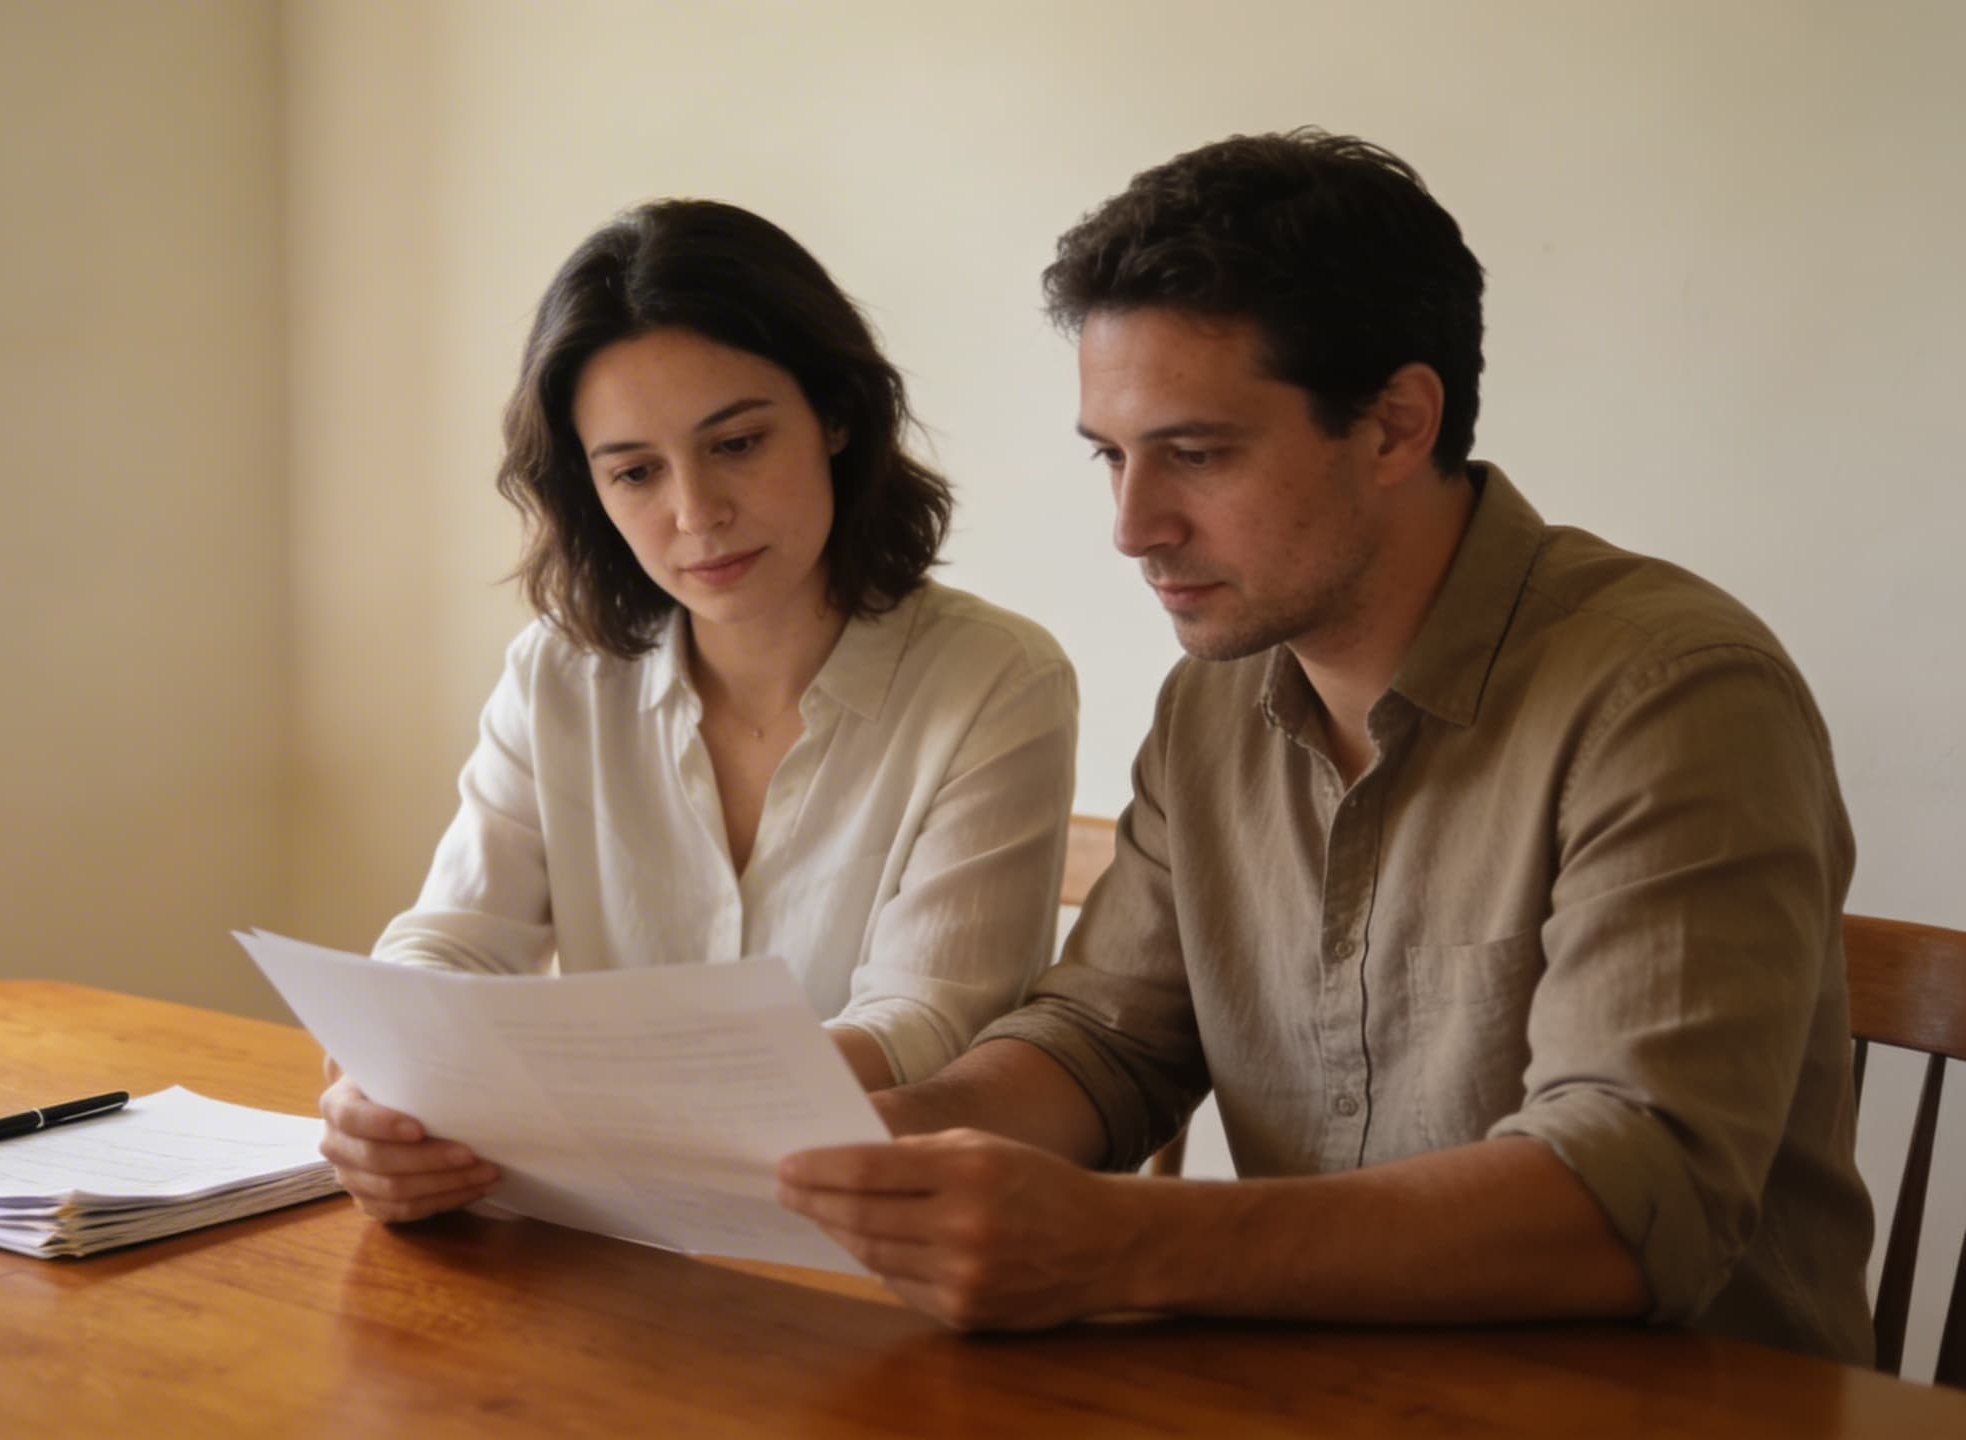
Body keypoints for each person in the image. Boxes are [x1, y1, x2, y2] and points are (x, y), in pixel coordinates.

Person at [776, 130, 1875, 1365]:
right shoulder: (1213, 701)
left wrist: (1125, 1241)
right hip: (1320, 1390)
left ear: (1398, 423)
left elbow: (1632, 1194)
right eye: (1111, 457)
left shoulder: (1673, 695)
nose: (1132, 527)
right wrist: (862, 1142)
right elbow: (1104, 1041)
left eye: (1195, 453)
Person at [321, 200, 1080, 1223]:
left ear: (837, 416)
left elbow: (925, 1025)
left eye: (737, 443)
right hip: (604, 1247)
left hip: (865, 1248)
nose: (694, 513)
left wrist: (599, 1100)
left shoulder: (995, 676)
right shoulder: (558, 674)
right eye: (634, 472)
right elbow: (452, 943)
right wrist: (382, 1092)